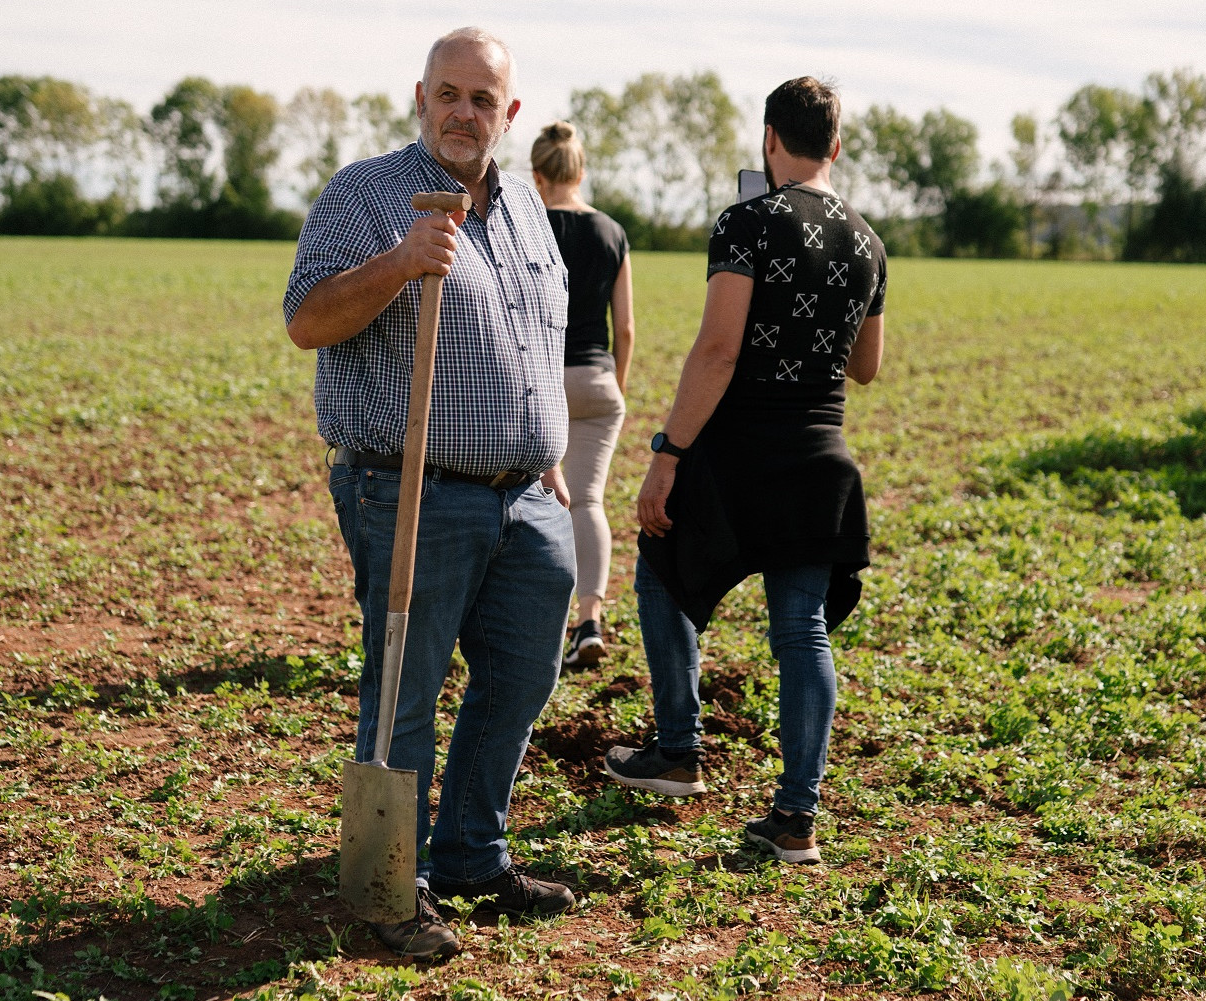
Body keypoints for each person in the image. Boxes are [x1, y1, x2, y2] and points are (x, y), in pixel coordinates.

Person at [284, 27, 578, 960]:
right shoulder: (368, 194)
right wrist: (402, 261)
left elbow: (541, 338)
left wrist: (551, 451)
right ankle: (388, 887)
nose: (463, 113)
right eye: (448, 94)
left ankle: (470, 854)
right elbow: (306, 320)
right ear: (420, 96)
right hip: (411, 489)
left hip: (527, 496)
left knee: (522, 675)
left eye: (482, 100)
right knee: (405, 687)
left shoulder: (530, 207)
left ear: (510, 115)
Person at [603, 77, 887, 866]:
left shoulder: (747, 222)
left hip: (737, 458)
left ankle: (678, 749)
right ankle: (796, 818)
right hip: (819, 461)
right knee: (800, 631)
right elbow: (866, 366)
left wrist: (667, 453)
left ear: (769, 139)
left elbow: (719, 349)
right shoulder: (869, 241)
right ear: (834, 146)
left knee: (660, 567)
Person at [529, 121, 635, 668]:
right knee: (588, 502)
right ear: (581, 170)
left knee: (530, 507)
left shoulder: (525, 228)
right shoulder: (612, 232)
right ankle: (589, 620)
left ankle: (532, 629)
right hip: (597, 381)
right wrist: (609, 391)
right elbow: (627, 331)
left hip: (537, 384)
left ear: (537, 174)